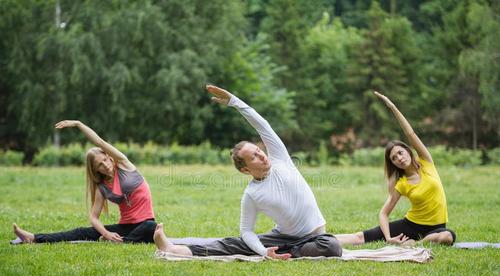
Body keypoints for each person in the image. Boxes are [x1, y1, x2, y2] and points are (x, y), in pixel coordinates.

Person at [153, 85, 342, 259]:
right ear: (245, 169)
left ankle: (288, 251)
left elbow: (262, 125)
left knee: (332, 246)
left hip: (315, 238)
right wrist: (263, 251)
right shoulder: (252, 194)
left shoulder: (281, 159)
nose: (261, 156)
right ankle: (175, 248)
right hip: (283, 237)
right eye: (253, 157)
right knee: (234, 244)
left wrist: (235, 102)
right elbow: (247, 231)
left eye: (258, 150)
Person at [335, 92, 456, 246]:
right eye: (394, 158)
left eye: (400, 152)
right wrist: (388, 237)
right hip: (411, 225)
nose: (399, 158)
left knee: (447, 237)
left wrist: (392, 107)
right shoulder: (402, 184)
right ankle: (319, 238)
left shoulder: (426, 162)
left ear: (408, 151)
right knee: (360, 237)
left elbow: (410, 134)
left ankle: (415, 244)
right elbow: (384, 213)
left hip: (437, 228)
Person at [12, 120, 157, 244]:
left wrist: (78, 124)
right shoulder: (102, 188)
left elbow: (99, 141)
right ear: (96, 170)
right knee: (81, 232)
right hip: (126, 226)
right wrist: (106, 234)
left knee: (152, 226)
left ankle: (124, 241)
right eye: (100, 164)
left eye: (105, 159)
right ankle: (33, 238)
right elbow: (93, 218)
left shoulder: (124, 164)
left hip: (145, 223)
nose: (105, 164)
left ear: (109, 156)